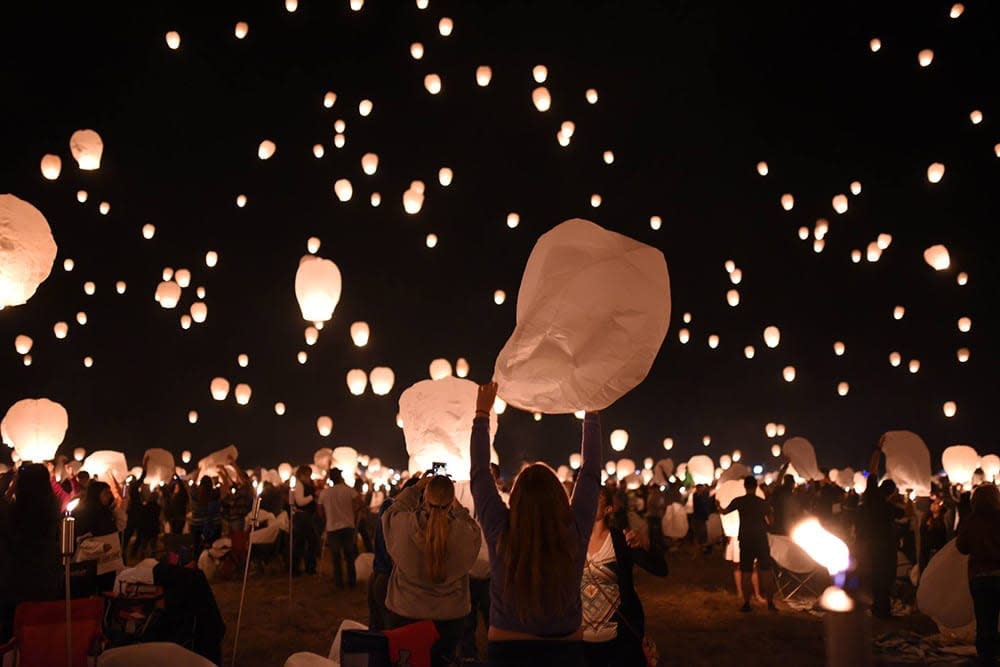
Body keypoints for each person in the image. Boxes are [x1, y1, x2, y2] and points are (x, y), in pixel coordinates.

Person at [470, 382, 601, 666]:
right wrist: (592, 412)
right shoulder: (573, 532)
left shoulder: (500, 530)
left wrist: (482, 414)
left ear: (515, 498)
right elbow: (589, 474)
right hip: (565, 650)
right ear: (560, 498)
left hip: (506, 649)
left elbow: (480, 473)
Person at [382, 474, 481, 667]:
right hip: (450, 617)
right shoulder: (465, 532)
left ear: (425, 497)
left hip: (405, 611)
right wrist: (454, 504)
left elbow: (390, 512)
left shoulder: (403, 523)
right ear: (451, 500)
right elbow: (472, 526)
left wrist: (415, 488)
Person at [582, 486, 667, 667]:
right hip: (582, 641)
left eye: (596, 497)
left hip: (618, 641)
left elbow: (660, 569)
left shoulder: (620, 540)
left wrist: (645, 545)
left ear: (609, 509)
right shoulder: (575, 542)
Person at [0, 464, 62, 642]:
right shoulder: (52, 510)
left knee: (11, 635)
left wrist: (10, 484)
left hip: (15, 583)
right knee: (37, 636)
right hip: (46, 580)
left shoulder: (12, 512)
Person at [860, 437, 904, 618]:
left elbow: (871, 470)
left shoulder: (872, 496)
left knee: (876, 575)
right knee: (886, 576)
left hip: (871, 543)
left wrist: (878, 449)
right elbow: (906, 513)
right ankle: (883, 608)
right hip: (886, 546)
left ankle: (878, 606)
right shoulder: (889, 508)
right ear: (892, 492)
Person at [956, 484, 1000, 666]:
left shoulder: (970, 521)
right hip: (999, 574)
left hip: (979, 576)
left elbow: (962, 547)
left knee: (984, 619)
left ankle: (985, 656)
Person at [718, 476, 777, 612]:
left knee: (746, 571)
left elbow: (724, 512)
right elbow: (771, 522)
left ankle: (746, 603)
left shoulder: (740, 501)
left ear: (745, 486)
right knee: (766, 571)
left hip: (745, 539)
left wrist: (717, 504)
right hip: (761, 539)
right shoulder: (762, 503)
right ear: (756, 486)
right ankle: (770, 603)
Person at [319, 467, 363, 589]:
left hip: (332, 527)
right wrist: (353, 512)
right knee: (349, 555)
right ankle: (351, 581)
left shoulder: (325, 493)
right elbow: (360, 502)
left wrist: (327, 517)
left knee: (336, 556)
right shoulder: (348, 490)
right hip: (348, 525)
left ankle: (339, 583)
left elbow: (320, 510)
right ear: (340, 477)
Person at [291, 465, 319, 576]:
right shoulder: (299, 485)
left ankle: (304, 568)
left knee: (303, 543)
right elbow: (300, 501)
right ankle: (302, 568)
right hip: (302, 517)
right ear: (302, 475)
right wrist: (313, 496)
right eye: (307, 475)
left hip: (306, 517)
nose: (309, 477)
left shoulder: (305, 485)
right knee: (307, 542)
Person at [189, 476, 222, 556]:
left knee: (196, 549)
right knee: (213, 548)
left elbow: (192, 483)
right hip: (213, 526)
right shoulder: (215, 493)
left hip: (197, 525)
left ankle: (196, 563)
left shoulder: (195, 492)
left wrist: (198, 471)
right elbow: (225, 486)